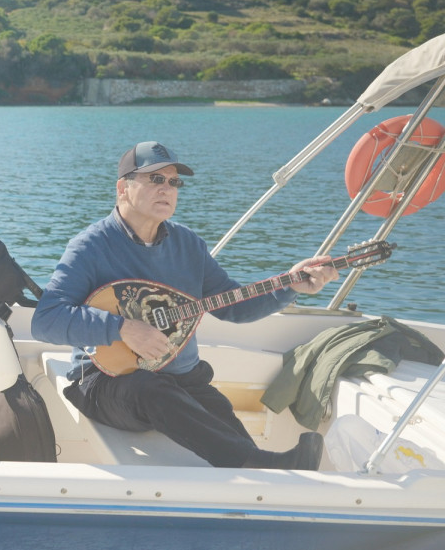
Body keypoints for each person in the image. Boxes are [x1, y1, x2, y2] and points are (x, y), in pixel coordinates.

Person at [32, 141, 338, 469]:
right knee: (149, 388)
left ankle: (265, 469)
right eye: (155, 179)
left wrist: (289, 287)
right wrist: (123, 328)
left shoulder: (188, 245)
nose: (167, 189)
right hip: (107, 381)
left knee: (215, 412)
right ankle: (255, 463)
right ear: (123, 188)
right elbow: (46, 320)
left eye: (173, 181)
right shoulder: (90, 246)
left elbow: (234, 306)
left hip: (182, 381)